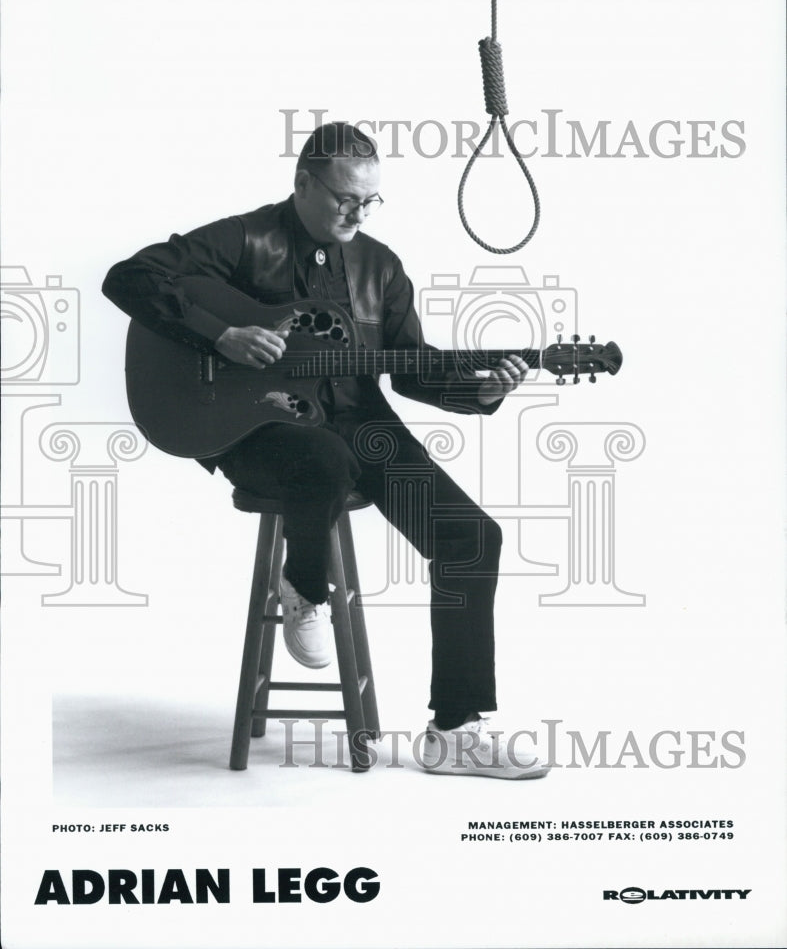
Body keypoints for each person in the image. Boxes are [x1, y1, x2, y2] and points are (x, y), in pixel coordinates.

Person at [103, 121, 548, 780]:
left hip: (361, 421)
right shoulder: (245, 237)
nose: (356, 214)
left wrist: (481, 391)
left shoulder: (380, 267)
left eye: (370, 202)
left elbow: (414, 369)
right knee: (323, 464)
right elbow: (129, 277)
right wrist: (219, 332)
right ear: (303, 184)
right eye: (345, 199)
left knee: (470, 539)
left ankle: (454, 730)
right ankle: (305, 587)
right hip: (257, 426)